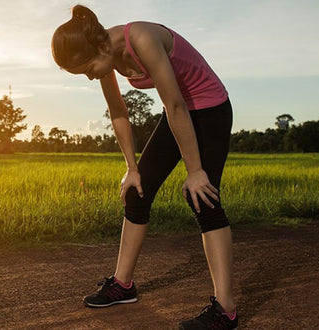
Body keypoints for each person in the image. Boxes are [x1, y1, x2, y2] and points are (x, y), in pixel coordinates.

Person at [51, 5, 238, 330]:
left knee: (203, 198)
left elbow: (175, 104)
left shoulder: (142, 38)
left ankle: (226, 310)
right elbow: (119, 113)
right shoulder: (106, 53)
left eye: (88, 67)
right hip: (178, 112)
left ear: (99, 47)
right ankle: (123, 285)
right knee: (137, 193)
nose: (91, 75)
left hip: (209, 110)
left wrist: (195, 171)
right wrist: (131, 168)